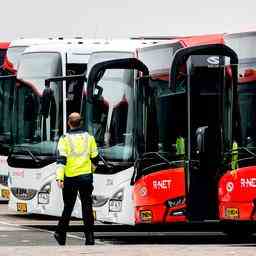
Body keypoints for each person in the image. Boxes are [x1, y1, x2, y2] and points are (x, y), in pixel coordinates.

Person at [54, 112, 99, 246]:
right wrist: (90, 170)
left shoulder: (64, 139)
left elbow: (61, 160)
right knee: (87, 207)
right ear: (81, 123)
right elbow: (96, 159)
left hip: (70, 177)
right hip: (86, 177)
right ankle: (90, 238)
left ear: (69, 123)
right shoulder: (89, 138)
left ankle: (61, 234)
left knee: (68, 206)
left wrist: (59, 178)